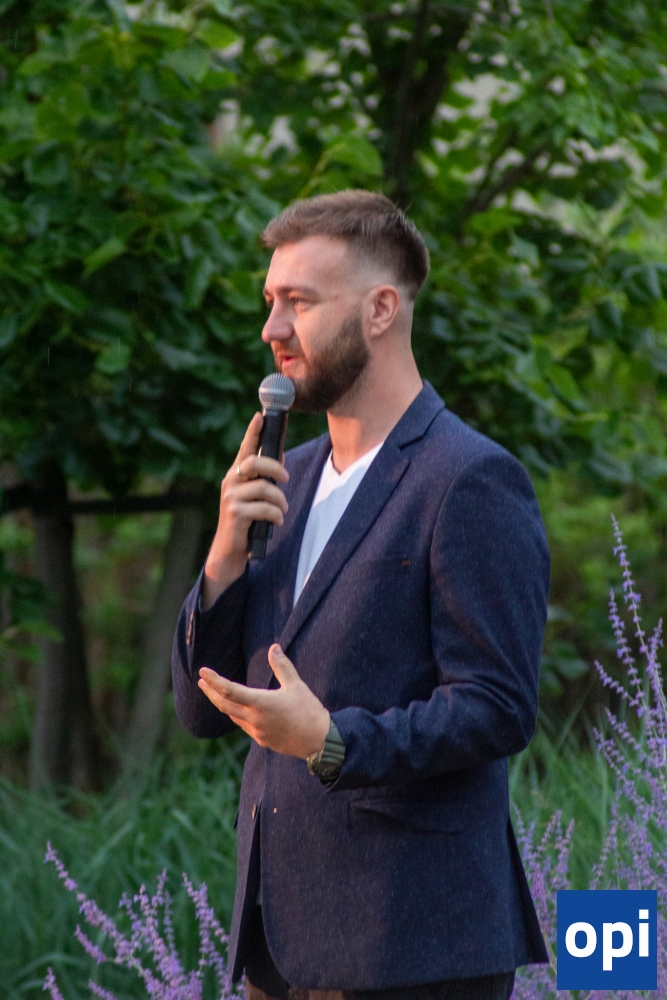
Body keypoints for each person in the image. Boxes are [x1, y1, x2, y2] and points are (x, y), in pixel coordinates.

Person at [172, 190, 550, 1000]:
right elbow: (201, 712)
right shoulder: (286, 479)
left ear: (380, 309)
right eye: (269, 301)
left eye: (298, 302)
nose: (271, 328)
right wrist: (222, 558)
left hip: (411, 944)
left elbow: (497, 706)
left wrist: (331, 741)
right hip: (278, 947)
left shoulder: (469, 479)